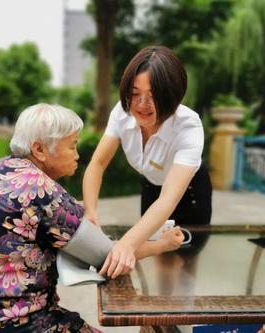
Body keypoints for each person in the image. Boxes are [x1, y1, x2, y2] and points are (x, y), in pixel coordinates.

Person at [0, 103, 184, 332]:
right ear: (40, 150)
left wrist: (71, 211)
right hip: (2, 324)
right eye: (72, 145)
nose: (77, 154)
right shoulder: (43, 191)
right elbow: (110, 258)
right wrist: (164, 244)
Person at [83, 46, 212, 279]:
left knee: (185, 265)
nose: (142, 104)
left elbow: (169, 199)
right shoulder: (121, 113)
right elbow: (98, 163)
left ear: (173, 95)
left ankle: (185, 311)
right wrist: (91, 212)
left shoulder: (189, 126)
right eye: (134, 93)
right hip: (152, 188)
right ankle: (161, 311)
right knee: (159, 261)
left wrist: (125, 244)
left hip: (188, 193)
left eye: (153, 96)